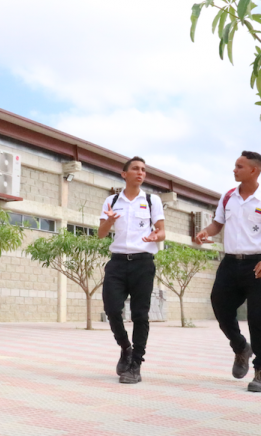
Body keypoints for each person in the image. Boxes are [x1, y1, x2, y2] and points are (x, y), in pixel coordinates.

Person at [195, 151, 261, 393]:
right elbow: (217, 223)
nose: (234, 170)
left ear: (253, 170)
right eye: (235, 166)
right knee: (219, 306)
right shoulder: (228, 198)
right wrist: (206, 232)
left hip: (258, 265)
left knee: (257, 318)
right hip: (230, 263)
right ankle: (240, 347)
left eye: (239, 166)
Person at [98, 156, 166, 384]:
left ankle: (136, 364)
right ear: (124, 174)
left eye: (143, 170)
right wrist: (108, 221)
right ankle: (125, 347)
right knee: (112, 308)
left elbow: (162, 231)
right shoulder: (112, 200)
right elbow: (101, 233)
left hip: (143, 262)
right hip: (117, 262)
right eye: (135, 169)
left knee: (140, 314)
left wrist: (156, 235)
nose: (140, 173)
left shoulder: (152, 200)